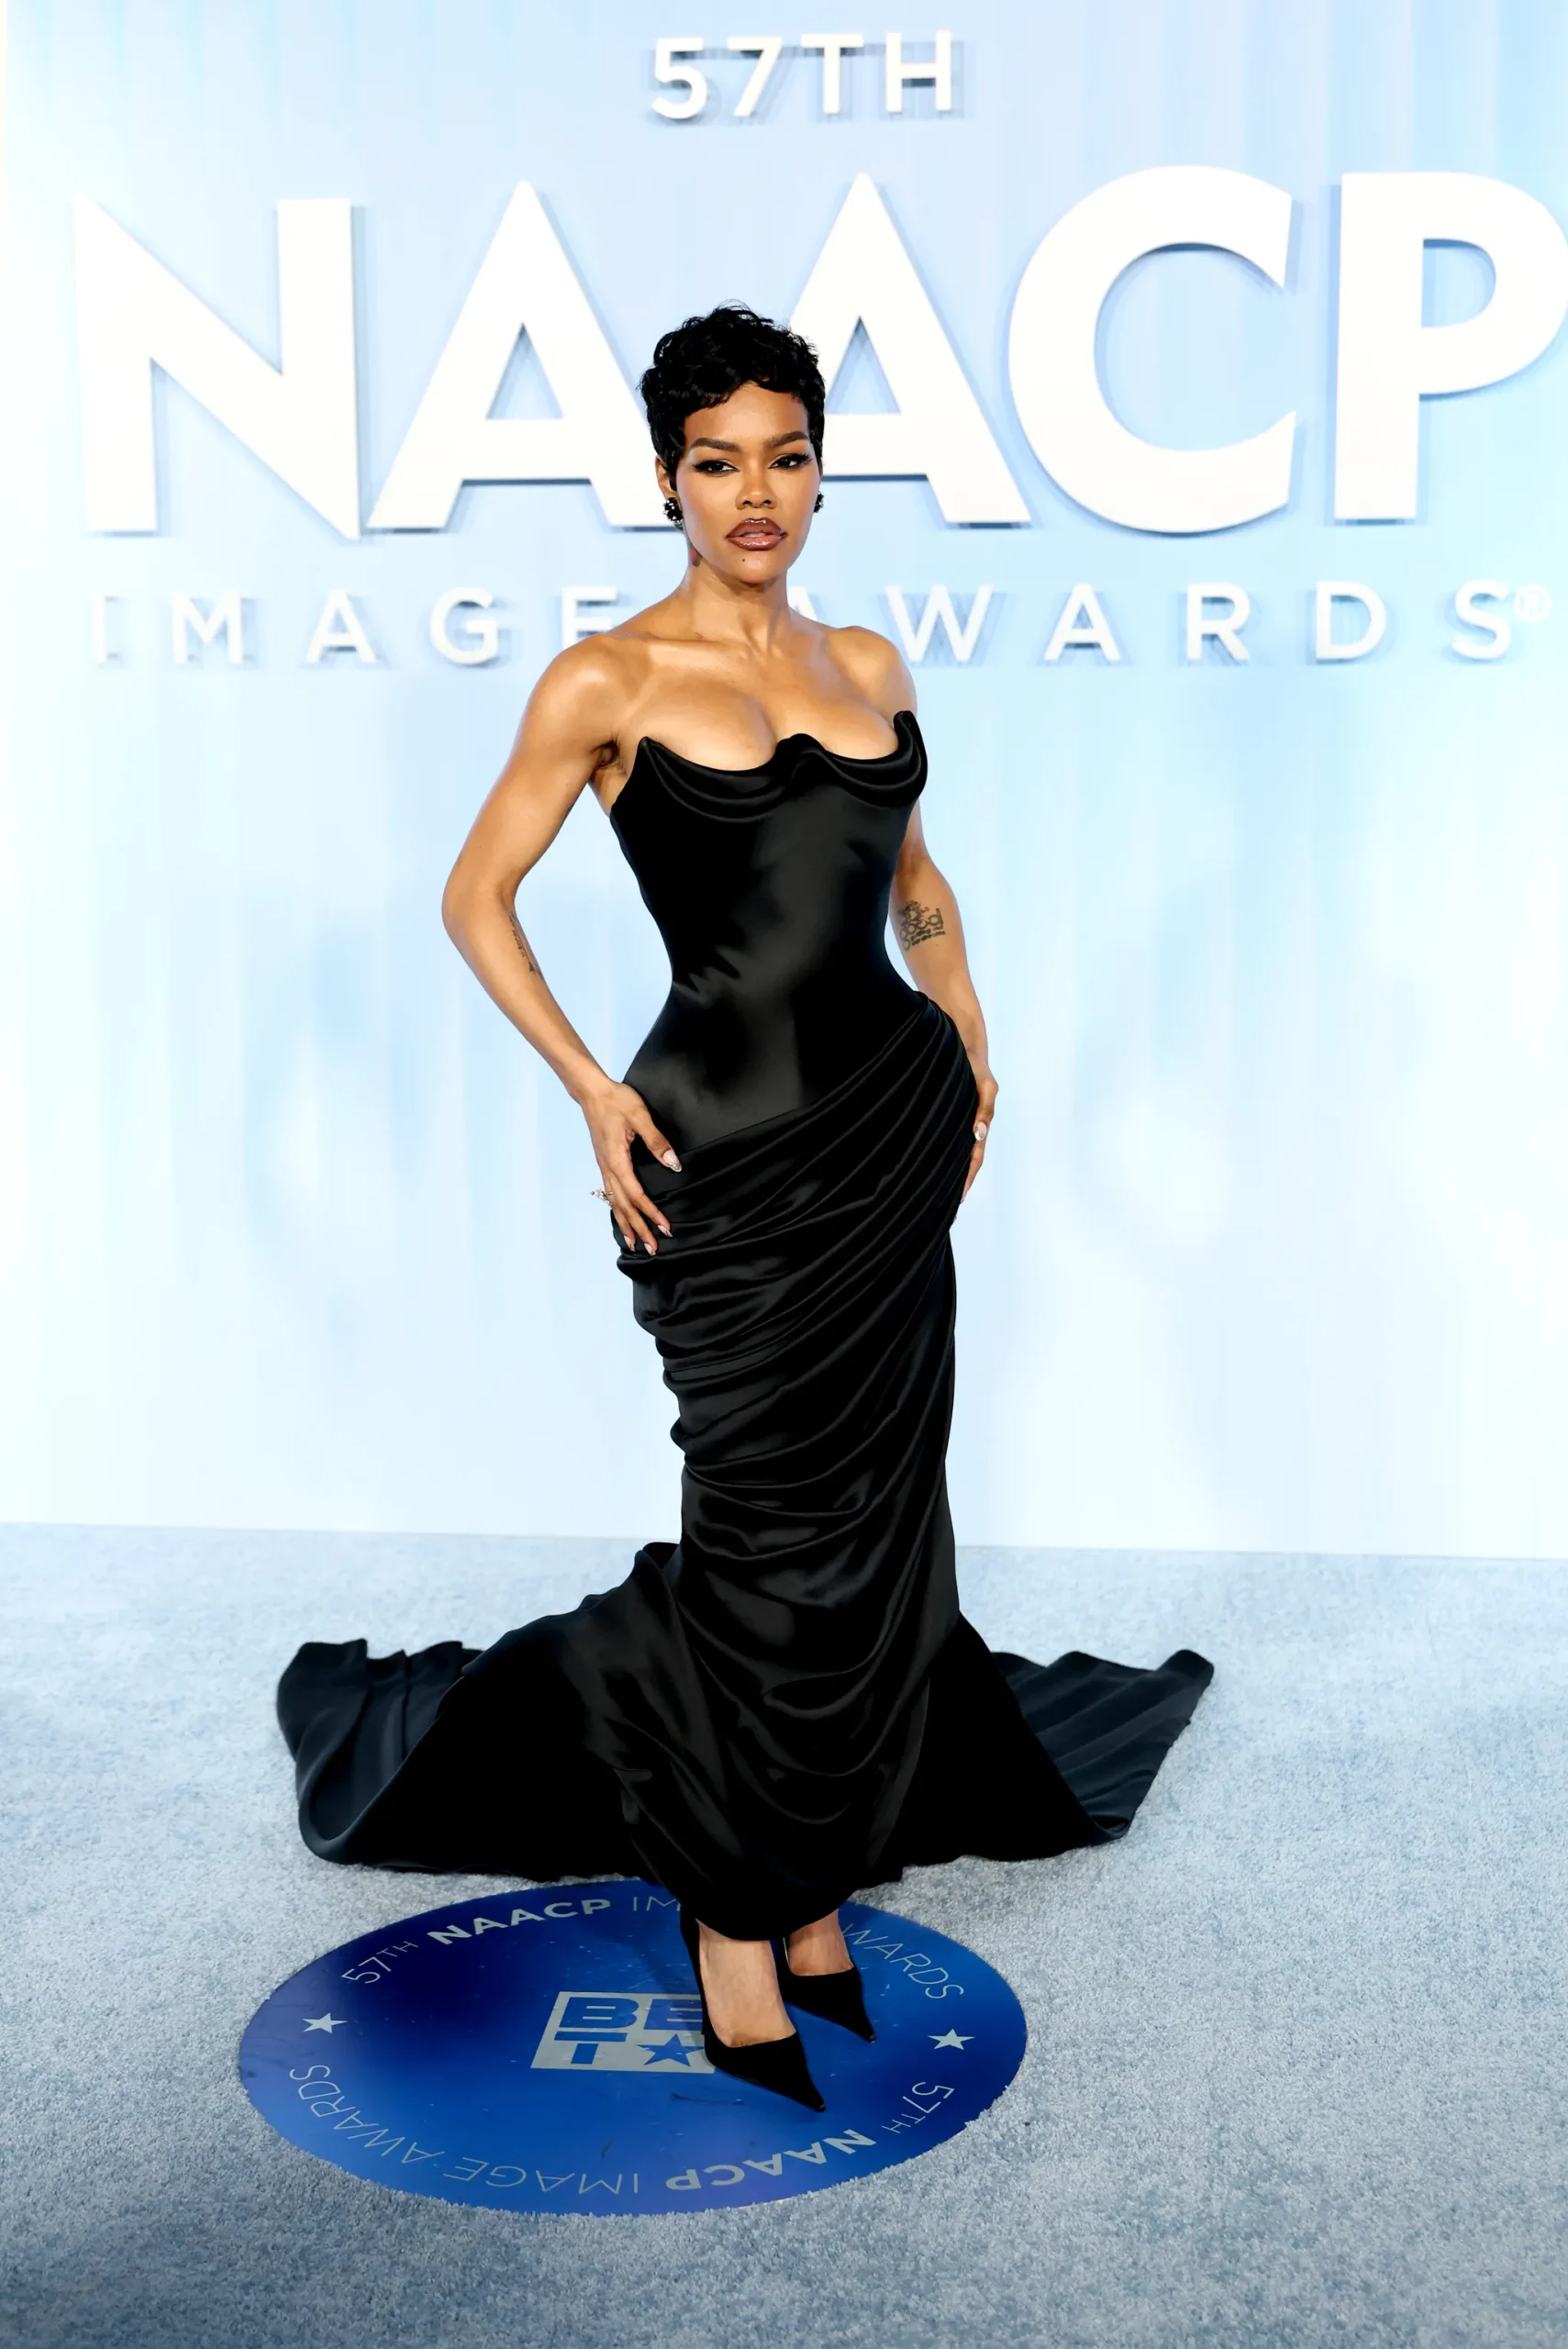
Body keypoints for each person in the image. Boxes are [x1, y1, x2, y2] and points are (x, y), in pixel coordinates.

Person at [278, 305, 1211, 2110]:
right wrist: (587, 1083)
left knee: (879, 1523)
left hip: (890, 1136)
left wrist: (969, 1026)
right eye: (718, 461)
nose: (754, 491)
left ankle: (815, 1881)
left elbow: (913, 878)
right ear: (668, 480)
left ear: (818, 473)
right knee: (762, 1531)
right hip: (723, 1157)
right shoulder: (605, 679)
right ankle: (733, 1904)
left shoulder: (870, 659)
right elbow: (474, 897)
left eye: (785, 455)